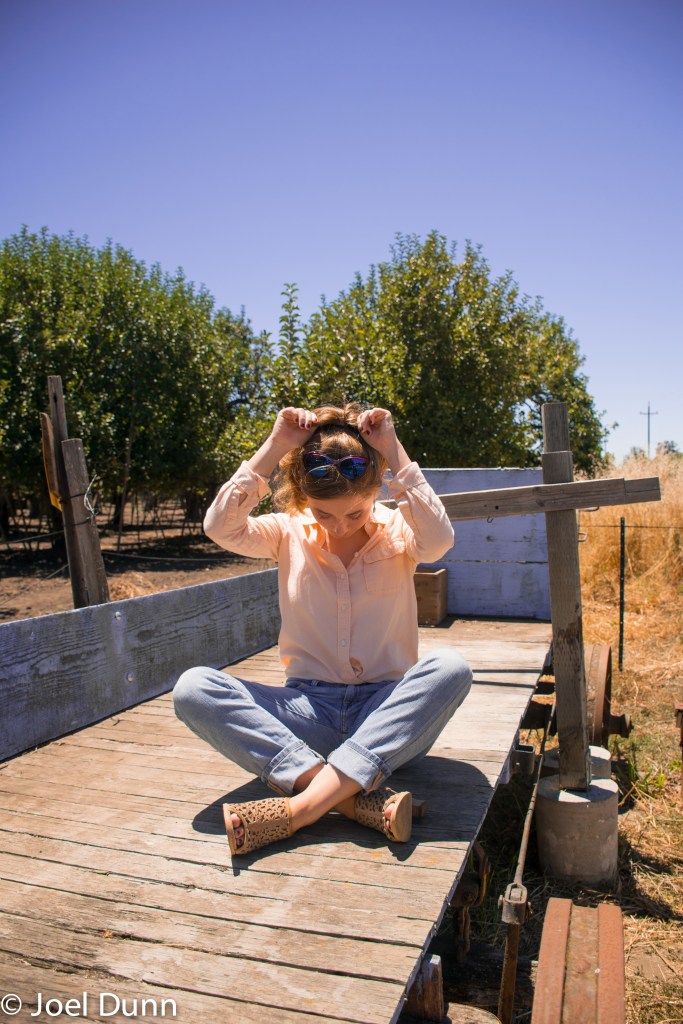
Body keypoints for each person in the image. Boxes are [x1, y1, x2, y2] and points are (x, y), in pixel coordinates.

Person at [173, 403, 472, 855]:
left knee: (451, 666)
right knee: (193, 689)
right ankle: (351, 801)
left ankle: (299, 810)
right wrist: (277, 445)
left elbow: (440, 540)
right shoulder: (284, 530)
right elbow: (220, 526)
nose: (339, 527)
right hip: (306, 713)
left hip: (385, 714)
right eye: (324, 514)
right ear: (301, 497)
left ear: (375, 490)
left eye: (354, 514)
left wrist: (392, 448)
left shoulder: (399, 529)